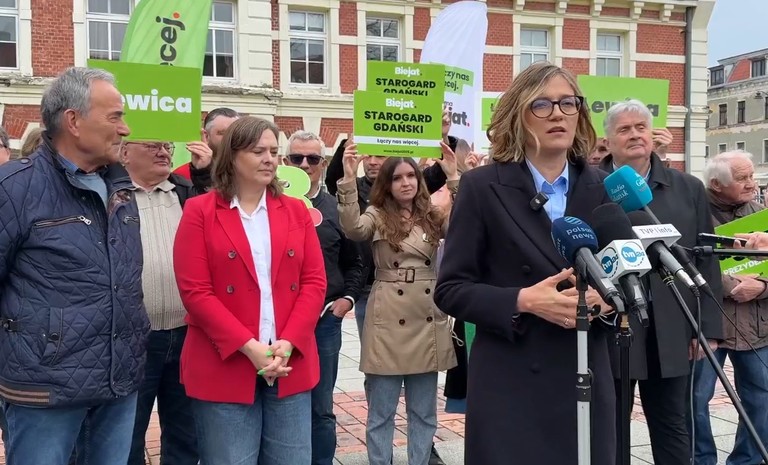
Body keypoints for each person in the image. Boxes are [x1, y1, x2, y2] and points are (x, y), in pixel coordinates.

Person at [434, 62, 616, 465]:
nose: (557, 114)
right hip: (511, 379)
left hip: (584, 372)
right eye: (542, 104)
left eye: (568, 103)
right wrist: (524, 300)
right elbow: (451, 290)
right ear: (518, 114)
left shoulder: (604, 187)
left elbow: (628, 274)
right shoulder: (482, 187)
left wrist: (606, 301)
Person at [0, 67, 149, 465]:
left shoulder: (121, 188)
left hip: (118, 381)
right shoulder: (13, 188)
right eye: (115, 117)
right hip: (44, 390)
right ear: (73, 121)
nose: (125, 128)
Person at [173, 116, 327, 464]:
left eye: (273, 151)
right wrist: (249, 347)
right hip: (224, 363)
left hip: (288, 362)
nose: (269, 159)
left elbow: (314, 281)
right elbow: (195, 291)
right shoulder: (199, 211)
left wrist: (289, 341)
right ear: (232, 156)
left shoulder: (295, 211)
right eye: (258, 151)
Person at [598, 99, 723, 465]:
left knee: (674, 425)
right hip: (613, 325)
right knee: (609, 427)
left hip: (673, 326)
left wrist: (707, 328)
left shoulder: (687, 188)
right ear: (607, 141)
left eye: (641, 127)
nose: (635, 135)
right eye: (624, 129)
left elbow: (705, 260)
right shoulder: (589, 187)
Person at [337, 145, 458, 465]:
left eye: (411, 176)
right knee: (381, 412)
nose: (406, 183)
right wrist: (348, 179)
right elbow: (353, 229)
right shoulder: (376, 214)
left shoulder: (432, 214)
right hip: (387, 315)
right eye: (397, 178)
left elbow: (463, 229)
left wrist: (454, 177)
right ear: (386, 184)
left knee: (424, 412)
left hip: (425, 315)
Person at [283, 130, 365, 465]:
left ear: (323, 163)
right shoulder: (268, 205)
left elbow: (356, 262)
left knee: (321, 404)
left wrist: (346, 301)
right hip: (278, 321)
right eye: (296, 158)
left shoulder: (336, 209)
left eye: (313, 159)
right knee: (279, 402)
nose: (305, 165)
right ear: (285, 161)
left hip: (323, 321)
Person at [119, 140, 200, 465]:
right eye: (152, 146)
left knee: (185, 435)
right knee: (127, 435)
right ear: (125, 152)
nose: (163, 152)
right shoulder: (112, 194)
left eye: (166, 146)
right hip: (132, 339)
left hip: (186, 334)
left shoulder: (185, 193)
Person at [692, 150, 768, 465]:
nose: (752, 183)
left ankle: (747, 461)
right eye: (742, 178)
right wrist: (730, 285)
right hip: (708, 325)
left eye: (752, 176)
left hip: (757, 324)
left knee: (761, 399)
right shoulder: (694, 212)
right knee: (695, 400)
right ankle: (701, 460)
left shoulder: (762, 214)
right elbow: (687, 262)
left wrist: (762, 286)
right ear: (716, 184)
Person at [173, 107, 239, 190]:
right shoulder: (182, 176)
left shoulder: (249, 172)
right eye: (223, 133)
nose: (232, 138)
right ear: (206, 136)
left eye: (237, 133)